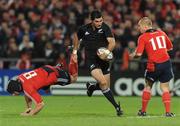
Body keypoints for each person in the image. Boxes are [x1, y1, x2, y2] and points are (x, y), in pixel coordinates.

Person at [71, 10, 123, 116]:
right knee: (103, 83)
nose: (99, 23)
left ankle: (92, 87)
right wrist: (75, 52)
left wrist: (107, 52)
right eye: (97, 21)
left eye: (101, 20)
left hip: (104, 60)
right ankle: (117, 107)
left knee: (105, 86)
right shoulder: (83, 29)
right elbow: (76, 37)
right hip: (91, 60)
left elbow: (112, 43)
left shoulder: (105, 28)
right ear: (91, 21)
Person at [130, 17, 174, 117]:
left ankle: (143, 111)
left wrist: (133, 55)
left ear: (145, 26)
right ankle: (168, 113)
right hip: (166, 63)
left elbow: (139, 54)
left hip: (154, 65)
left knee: (148, 86)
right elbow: (170, 47)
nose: (138, 28)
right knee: (165, 88)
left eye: (139, 26)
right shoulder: (162, 33)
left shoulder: (143, 37)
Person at [7, 55, 78, 116]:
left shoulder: (27, 88)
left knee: (74, 78)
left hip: (53, 74)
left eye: (13, 92)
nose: (13, 95)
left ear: (16, 88)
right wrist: (29, 109)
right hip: (44, 69)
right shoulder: (20, 77)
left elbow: (40, 104)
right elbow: (26, 94)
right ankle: (56, 68)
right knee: (45, 88)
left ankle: (73, 59)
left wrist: (30, 114)